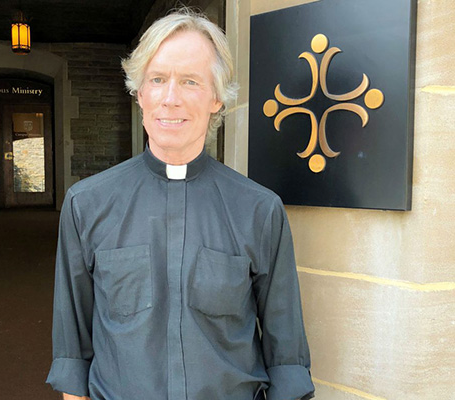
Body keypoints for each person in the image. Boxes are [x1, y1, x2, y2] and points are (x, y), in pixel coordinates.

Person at [46, 8, 314, 400]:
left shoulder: (260, 210)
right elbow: (72, 347)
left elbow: (286, 354)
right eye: (157, 80)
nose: (170, 99)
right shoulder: (87, 204)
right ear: (140, 94)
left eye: (190, 81)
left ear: (217, 98)